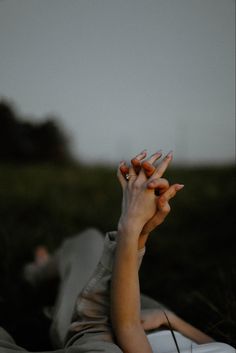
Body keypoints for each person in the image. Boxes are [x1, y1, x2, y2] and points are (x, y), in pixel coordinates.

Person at [0, 150, 235, 353]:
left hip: (107, 331)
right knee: (90, 240)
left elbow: (128, 328)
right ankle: (38, 272)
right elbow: (216, 345)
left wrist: (131, 227)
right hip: (149, 313)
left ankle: (48, 289)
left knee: (84, 273)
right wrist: (171, 320)